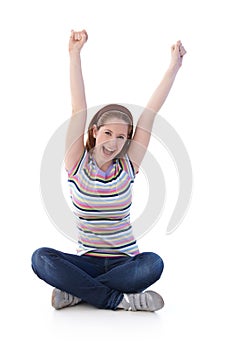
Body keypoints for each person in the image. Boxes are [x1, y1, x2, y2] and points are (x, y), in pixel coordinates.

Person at [31, 29, 186, 312]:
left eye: (122, 137)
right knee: (40, 258)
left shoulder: (128, 166)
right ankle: (116, 299)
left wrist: (173, 67)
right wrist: (74, 54)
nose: (114, 142)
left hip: (125, 262)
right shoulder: (76, 162)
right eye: (108, 133)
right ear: (94, 132)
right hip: (86, 260)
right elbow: (78, 106)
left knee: (153, 264)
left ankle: (78, 292)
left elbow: (149, 114)